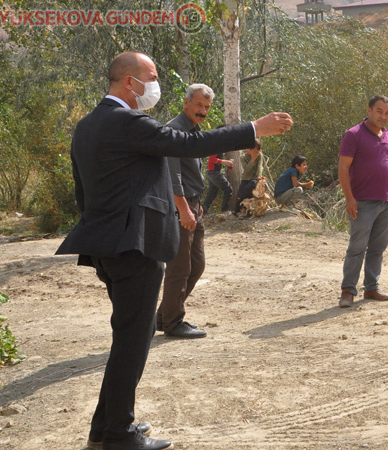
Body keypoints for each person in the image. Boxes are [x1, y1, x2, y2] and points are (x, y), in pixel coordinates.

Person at [55, 51, 292, 450]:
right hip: (135, 246)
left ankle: (106, 425)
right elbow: (187, 143)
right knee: (133, 336)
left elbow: (84, 192)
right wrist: (254, 128)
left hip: (110, 245)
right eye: (151, 76)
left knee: (132, 333)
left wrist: (102, 236)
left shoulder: (87, 125)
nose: (156, 83)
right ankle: (118, 433)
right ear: (129, 82)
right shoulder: (126, 120)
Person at [155, 84, 218, 339]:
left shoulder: (194, 130)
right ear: (186, 104)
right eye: (199, 106)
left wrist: (196, 204)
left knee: (197, 264)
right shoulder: (174, 130)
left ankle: (162, 317)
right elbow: (173, 176)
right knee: (180, 266)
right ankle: (172, 322)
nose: (203, 111)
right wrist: (184, 209)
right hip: (180, 205)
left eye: (207, 107)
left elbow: (190, 172)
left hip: (193, 203)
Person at [338, 95, 388, 308]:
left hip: (385, 203)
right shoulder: (353, 135)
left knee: (378, 248)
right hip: (363, 202)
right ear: (368, 111)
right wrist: (350, 199)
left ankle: (371, 288)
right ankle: (348, 291)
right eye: (379, 111)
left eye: (387, 113)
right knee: (357, 247)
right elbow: (343, 168)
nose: (383, 116)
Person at [234, 141, 265, 215]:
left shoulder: (260, 155)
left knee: (249, 187)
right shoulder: (243, 158)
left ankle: (245, 209)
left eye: (257, 150)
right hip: (246, 178)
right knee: (239, 195)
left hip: (254, 178)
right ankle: (237, 210)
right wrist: (252, 160)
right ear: (248, 149)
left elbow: (260, 166)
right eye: (254, 150)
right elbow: (246, 170)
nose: (256, 152)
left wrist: (259, 175)